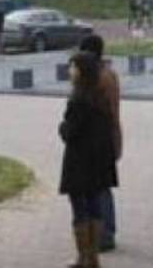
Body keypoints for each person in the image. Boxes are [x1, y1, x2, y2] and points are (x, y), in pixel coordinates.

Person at [59, 52, 119, 268]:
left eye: (73, 67)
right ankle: (92, 258)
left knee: (79, 209)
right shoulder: (100, 97)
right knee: (95, 206)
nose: (70, 71)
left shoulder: (78, 100)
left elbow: (70, 131)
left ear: (81, 71)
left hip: (79, 162)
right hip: (98, 161)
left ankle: (83, 257)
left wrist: (62, 127)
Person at [79, 35, 121, 252]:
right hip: (109, 137)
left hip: (96, 140)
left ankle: (103, 234)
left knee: (97, 188)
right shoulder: (110, 74)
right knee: (104, 187)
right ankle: (108, 230)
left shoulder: (95, 78)